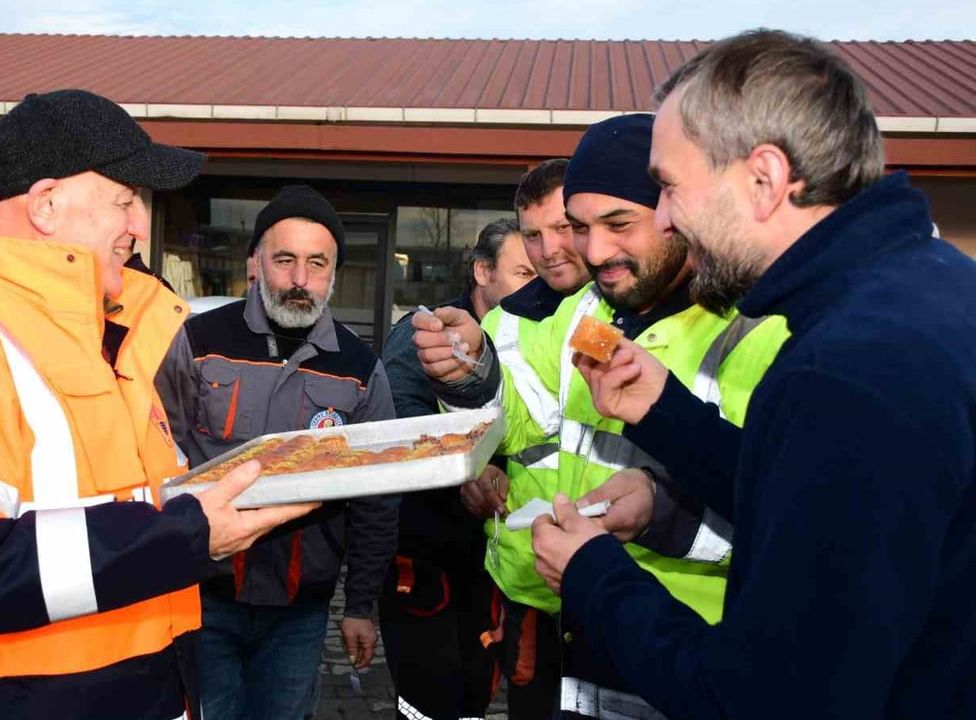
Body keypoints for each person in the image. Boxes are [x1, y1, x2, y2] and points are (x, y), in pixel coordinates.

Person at [531, 30, 976, 720]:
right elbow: (816, 495)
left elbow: (763, 698)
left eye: (669, 187)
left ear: (764, 179)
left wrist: (594, 577)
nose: (667, 219)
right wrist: (665, 414)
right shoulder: (934, 285)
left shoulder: (849, 368)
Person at [0, 88, 315, 718]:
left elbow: (113, 511)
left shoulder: (101, 334)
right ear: (46, 204)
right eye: (125, 200)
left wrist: (216, 500)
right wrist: (187, 534)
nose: (140, 226)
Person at [414, 113, 787, 718]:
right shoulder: (592, 310)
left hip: (698, 657)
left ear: (676, 209)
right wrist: (471, 370)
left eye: (618, 224)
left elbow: (794, 522)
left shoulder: (762, 330)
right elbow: (531, 422)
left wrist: (661, 514)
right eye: (580, 227)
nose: (591, 252)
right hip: (585, 632)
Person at [156, 184, 397, 720]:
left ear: (333, 274)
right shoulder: (196, 342)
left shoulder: (360, 369)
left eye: (317, 263)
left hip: (300, 611)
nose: (299, 279)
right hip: (203, 594)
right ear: (255, 264)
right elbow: (155, 456)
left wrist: (360, 605)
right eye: (284, 259)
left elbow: (377, 499)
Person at [445, 159, 591, 718]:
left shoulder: (625, 310)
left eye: (563, 228)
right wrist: (477, 468)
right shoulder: (497, 324)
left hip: (616, 569)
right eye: (533, 235)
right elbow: (480, 430)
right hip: (526, 575)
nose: (549, 249)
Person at [378, 217, 534, 720]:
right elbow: (397, 421)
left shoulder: (534, 337)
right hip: (426, 556)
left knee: (476, 690)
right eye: (524, 273)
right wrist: (469, 470)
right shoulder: (425, 334)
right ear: (483, 272)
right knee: (429, 697)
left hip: (495, 560)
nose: (537, 287)